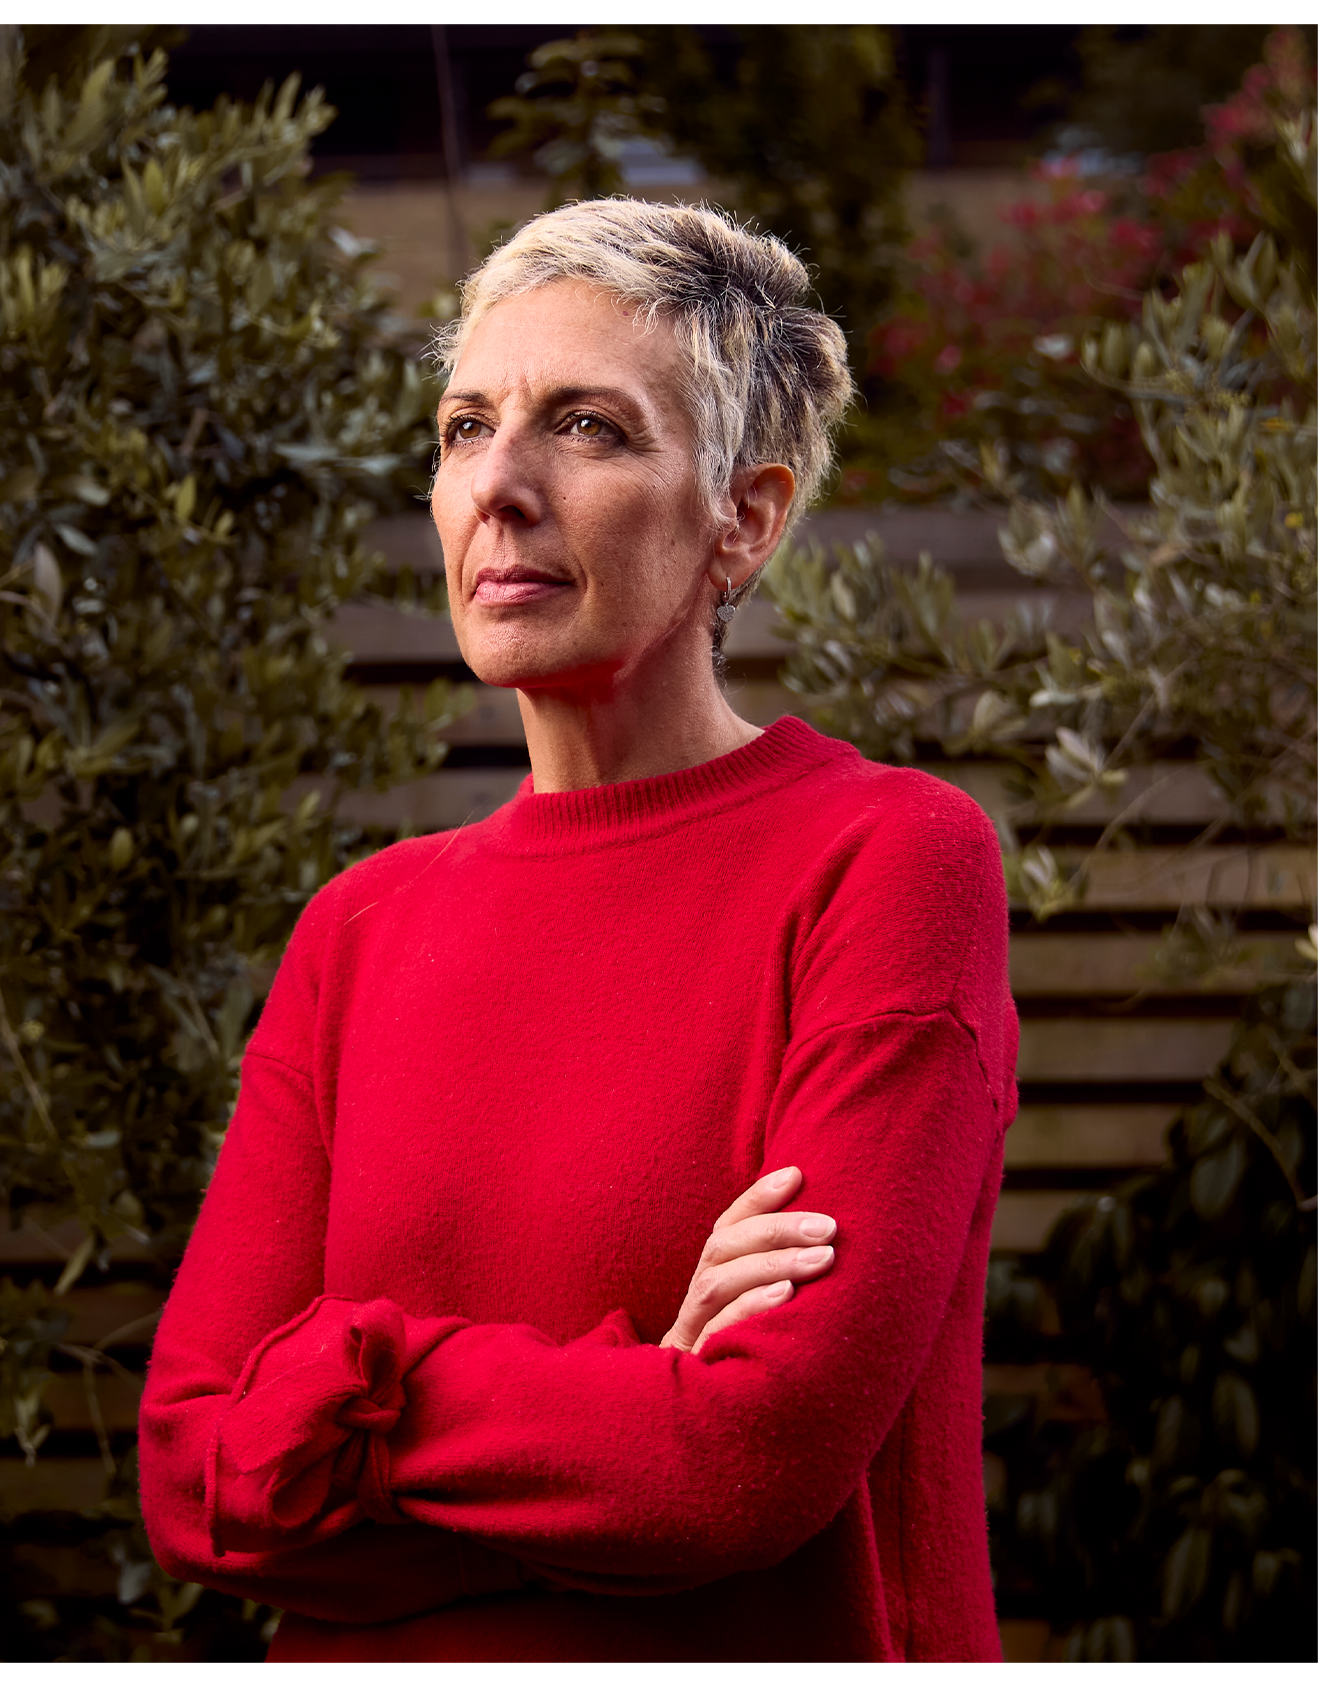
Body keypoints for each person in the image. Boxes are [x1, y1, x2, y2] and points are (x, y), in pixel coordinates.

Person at [137, 198, 1014, 1660]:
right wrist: (625, 1407)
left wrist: (351, 1393)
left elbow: (739, 1468)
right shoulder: (359, 931)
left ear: (745, 513)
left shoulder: (887, 861)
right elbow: (194, 1480)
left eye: (589, 427)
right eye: (465, 425)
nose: (501, 483)